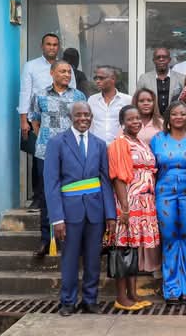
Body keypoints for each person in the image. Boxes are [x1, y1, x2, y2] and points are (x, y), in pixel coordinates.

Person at [43, 102, 116, 316]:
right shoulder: (57, 143)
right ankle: (68, 301)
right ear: (70, 117)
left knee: (93, 259)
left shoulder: (99, 144)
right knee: (70, 259)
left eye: (87, 115)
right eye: (78, 115)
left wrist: (110, 214)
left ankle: (90, 300)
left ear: (92, 117)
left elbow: (105, 181)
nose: (83, 118)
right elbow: (51, 183)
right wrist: (57, 218)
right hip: (69, 212)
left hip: (95, 211)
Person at [28, 60, 86, 257]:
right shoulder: (40, 95)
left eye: (69, 72)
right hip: (45, 153)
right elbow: (35, 121)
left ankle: (73, 238)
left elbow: (83, 122)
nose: (67, 75)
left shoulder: (78, 96)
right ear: (52, 73)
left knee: (73, 194)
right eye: (62, 71)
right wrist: (48, 141)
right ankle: (46, 239)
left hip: (72, 153)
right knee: (47, 196)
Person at [108, 105, 160, 310]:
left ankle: (133, 294)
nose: (136, 122)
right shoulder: (120, 143)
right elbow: (118, 177)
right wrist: (124, 207)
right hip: (129, 202)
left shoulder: (141, 142)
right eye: (130, 119)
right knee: (123, 249)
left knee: (134, 249)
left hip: (144, 203)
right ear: (123, 122)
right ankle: (121, 298)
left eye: (138, 118)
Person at [18, 33, 76, 208]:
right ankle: (38, 197)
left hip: (64, 121)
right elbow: (25, 92)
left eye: (55, 44)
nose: (52, 47)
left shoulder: (66, 67)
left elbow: (73, 93)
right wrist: (24, 120)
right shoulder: (31, 66)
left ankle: (62, 197)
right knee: (40, 158)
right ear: (42, 46)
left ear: (59, 47)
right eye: (48, 44)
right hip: (38, 118)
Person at [151, 101, 186, 305]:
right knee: (170, 238)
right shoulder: (157, 139)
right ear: (168, 118)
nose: (178, 117)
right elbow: (150, 168)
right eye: (174, 114)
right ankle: (171, 288)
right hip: (164, 193)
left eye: (182, 114)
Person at [87, 66, 131, 145]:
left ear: (113, 79)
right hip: (96, 147)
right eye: (96, 78)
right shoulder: (91, 100)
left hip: (119, 147)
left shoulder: (127, 100)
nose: (97, 81)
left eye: (101, 78)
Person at [137, 48, 186, 115]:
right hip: (152, 118)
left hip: (174, 119)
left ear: (169, 60)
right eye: (158, 57)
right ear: (154, 60)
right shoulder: (144, 79)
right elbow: (137, 100)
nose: (161, 59)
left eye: (164, 57)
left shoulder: (181, 78)